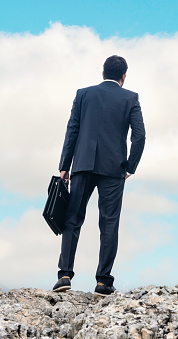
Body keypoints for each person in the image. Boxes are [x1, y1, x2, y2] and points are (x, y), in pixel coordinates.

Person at [53, 55, 146, 296]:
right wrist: (130, 166)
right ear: (124, 76)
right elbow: (140, 136)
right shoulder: (130, 98)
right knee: (109, 222)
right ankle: (103, 282)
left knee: (72, 219)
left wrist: (65, 165)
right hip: (114, 169)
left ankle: (64, 275)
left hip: (82, 165)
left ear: (102, 73)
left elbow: (72, 129)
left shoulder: (83, 94)